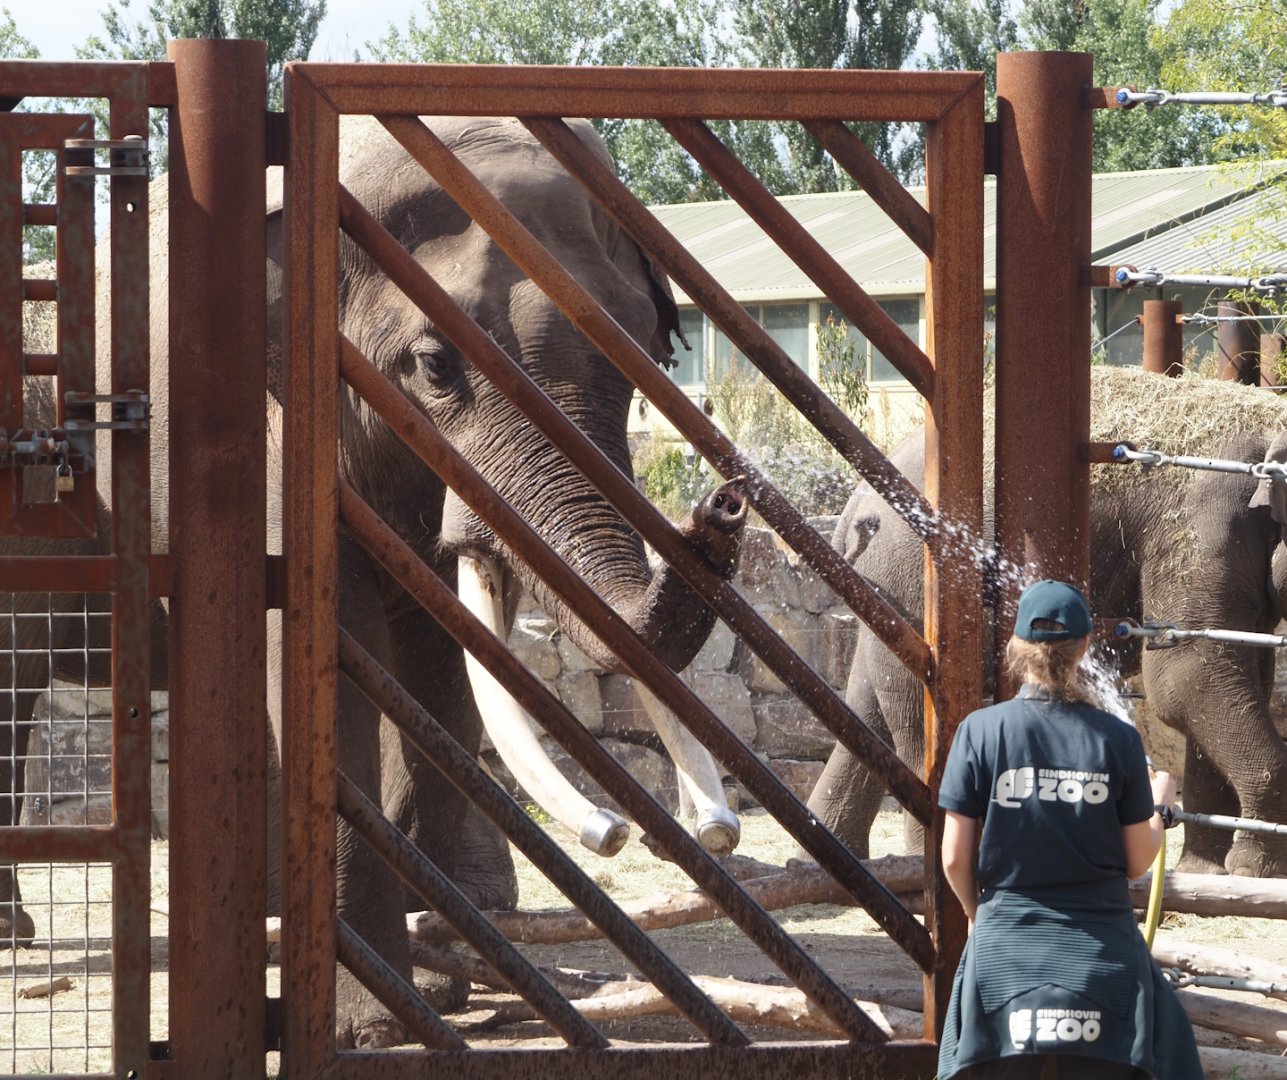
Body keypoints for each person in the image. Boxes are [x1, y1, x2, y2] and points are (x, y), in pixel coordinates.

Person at [936, 579, 1202, 1080]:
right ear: (1083, 648)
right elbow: (1138, 861)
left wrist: (980, 916)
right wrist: (1161, 809)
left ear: (1016, 647)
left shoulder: (979, 730)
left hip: (1003, 960)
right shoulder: (1118, 739)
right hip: (1101, 963)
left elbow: (954, 857)